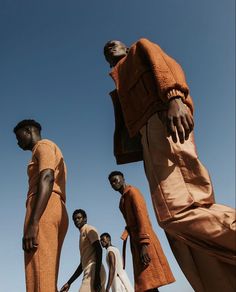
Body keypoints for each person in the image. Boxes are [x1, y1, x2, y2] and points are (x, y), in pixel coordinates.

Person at [103, 39, 236, 291]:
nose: (110, 46)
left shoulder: (139, 50)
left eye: (115, 44)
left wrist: (174, 97)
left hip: (163, 122)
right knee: (180, 236)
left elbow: (165, 65)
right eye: (106, 50)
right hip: (147, 139)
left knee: (178, 211)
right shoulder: (121, 77)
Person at [13, 119, 68, 292]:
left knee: (39, 272)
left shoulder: (43, 146)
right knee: (46, 273)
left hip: (43, 208)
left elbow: (47, 177)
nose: (17, 142)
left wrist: (33, 222)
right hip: (53, 206)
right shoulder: (48, 148)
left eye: (18, 136)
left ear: (29, 130)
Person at [108, 171, 175, 292]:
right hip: (136, 243)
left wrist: (144, 244)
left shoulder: (133, 192)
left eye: (116, 180)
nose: (114, 183)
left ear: (123, 179)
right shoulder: (122, 201)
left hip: (145, 241)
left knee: (149, 283)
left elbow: (142, 217)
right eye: (111, 182)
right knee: (147, 285)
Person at [60, 209, 106, 292]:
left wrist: (97, 276)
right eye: (74, 219)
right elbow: (82, 266)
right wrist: (69, 283)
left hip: (94, 270)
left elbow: (99, 249)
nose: (76, 220)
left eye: (79, 218)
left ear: (85, 219)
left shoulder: (88, 229)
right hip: (91, 270)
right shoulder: (81, 235)